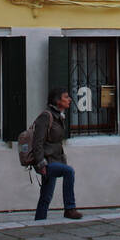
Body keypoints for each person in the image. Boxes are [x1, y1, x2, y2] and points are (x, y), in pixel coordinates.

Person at [32, 87, 83, 220]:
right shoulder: (46, 116)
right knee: (69, 172)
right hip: (47, 162)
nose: (70, 99)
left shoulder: (58, 117)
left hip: (55, 160)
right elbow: (37, 142)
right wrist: (40, 163)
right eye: (66, 97)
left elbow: (57, 143)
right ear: (57, 100)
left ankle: (39, 221)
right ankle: (70, 209)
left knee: (46, 196)